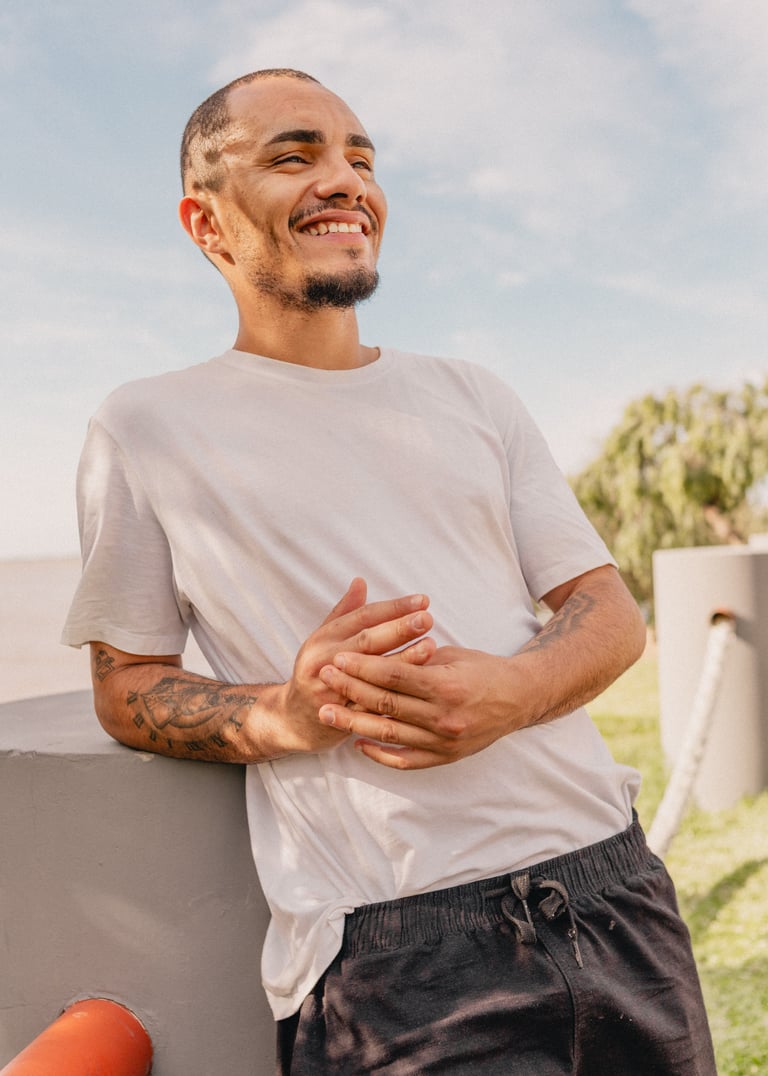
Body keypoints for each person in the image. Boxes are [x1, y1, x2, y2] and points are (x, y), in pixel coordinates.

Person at [63, 69, 716, 1074]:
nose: (346, 180)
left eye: (360, 158)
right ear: (208, 224)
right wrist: (289, 714)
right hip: (398, 953)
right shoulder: (144, 427)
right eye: (295, 155)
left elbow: (607, 609)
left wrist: (514, 691)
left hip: (614, 890)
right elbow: (126, 686)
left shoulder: (473, 394)